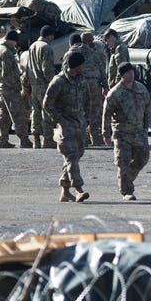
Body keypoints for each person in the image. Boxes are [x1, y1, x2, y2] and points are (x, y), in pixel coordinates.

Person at [43, 52, 90, 203]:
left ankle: (64, 191)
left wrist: (86, 119)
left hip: (79, 125)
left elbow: (87, 100)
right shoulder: (59, 82)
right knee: (72, 157)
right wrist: (60, 120)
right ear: (76, 66)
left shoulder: (82, 80)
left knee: (75, 157)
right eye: (82, 64)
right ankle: (79, 190)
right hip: (65, 126)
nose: (84, 66)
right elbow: (47, 104)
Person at [102, 62, 151, 201]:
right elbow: (106, 114)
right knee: (123, 162)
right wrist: (106, 134)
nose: (131, 74)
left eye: (132, 72)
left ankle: (126, 179)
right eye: (128, 72)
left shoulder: (141, 89)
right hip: (122, 133)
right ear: (122, 75)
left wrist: (145, 127)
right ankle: (127, 191)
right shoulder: (115, 93)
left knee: (143, 158)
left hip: (139, 132)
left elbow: (148, 108)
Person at [0, 29, 32, 149]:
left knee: (3, 116)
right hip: (10, 88)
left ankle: (2, 140)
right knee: (18, 114)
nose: (16, 45)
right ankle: (24, 139)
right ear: (13, 41)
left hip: (1, 87)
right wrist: (17, 84)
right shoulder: (7, 53)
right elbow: (7, 74)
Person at [27, 25, 57, 149]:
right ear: (49, 35)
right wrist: (53, 82)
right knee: (47, 112)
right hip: (44, 84)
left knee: (35, 111)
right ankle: (48, 139)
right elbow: (47, 69)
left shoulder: (32, 46)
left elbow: (27, 66)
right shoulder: (46, 48)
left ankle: (36, 140)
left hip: (34, 84)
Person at [81, 31, 108, 146]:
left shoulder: (76, 51)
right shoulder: (95, 52)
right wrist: (105, 85)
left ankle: (84, 137)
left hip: (80, 84)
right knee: (95, 111)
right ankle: (95, 138)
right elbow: (102, 69)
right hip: (93, 84)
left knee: (82, 110)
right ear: (91, 41)